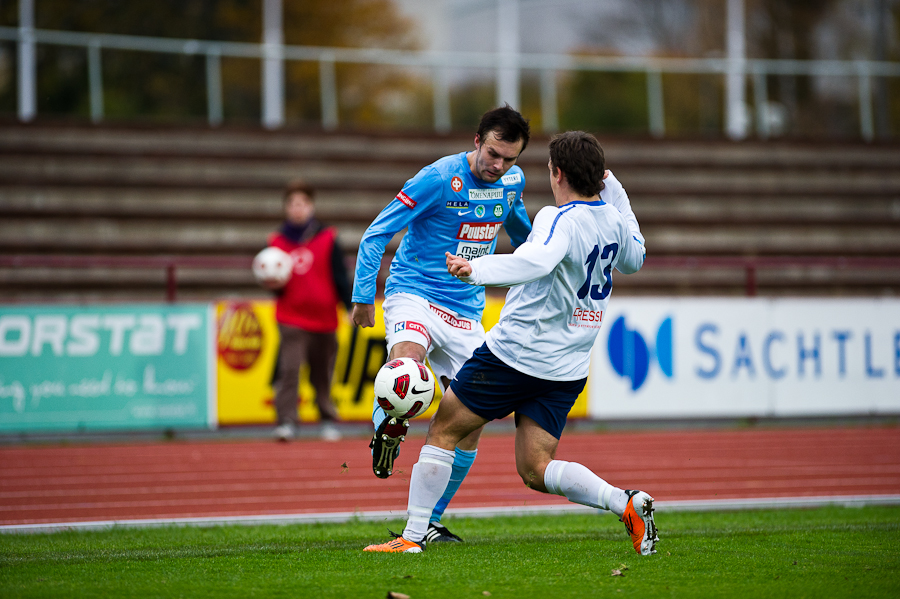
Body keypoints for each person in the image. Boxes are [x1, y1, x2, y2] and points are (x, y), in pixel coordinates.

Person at [363, 131, 658, 556]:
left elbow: (535, 260)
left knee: (444, 428)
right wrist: (618, 195)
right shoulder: (613, 221)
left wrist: (475, 268)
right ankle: (624, 501)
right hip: (568, 367)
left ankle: (411, 537)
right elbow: (636, 257)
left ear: (557, 173)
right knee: (536, 468)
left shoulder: (557, 218)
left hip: (516, 354)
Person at [350, 105, 532, 543]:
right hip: (414, 292)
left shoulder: (511, 182)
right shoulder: (437, 178)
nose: (498, 165)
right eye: (492, 154)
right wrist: (361, 296)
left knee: (470, 421)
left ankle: (428, 521)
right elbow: (377, 232)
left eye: (509, 158)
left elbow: (522, 234)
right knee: (407, 368)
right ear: (476, 141)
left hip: (466, 310)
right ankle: (388, 428)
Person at [267, 180, 352, 442]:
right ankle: (287, 421)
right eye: (292, 204)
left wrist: (348, 306)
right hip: (291, 318)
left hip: (325, 319)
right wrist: (272, 284)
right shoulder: (277, 242)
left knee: (322, 374)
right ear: (286, 208)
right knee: (290, 370)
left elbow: (340, 275)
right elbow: (275, 284)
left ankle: (326, 419)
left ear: (311, 206)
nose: (297, 208)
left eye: (302, 203)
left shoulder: (328, 237)